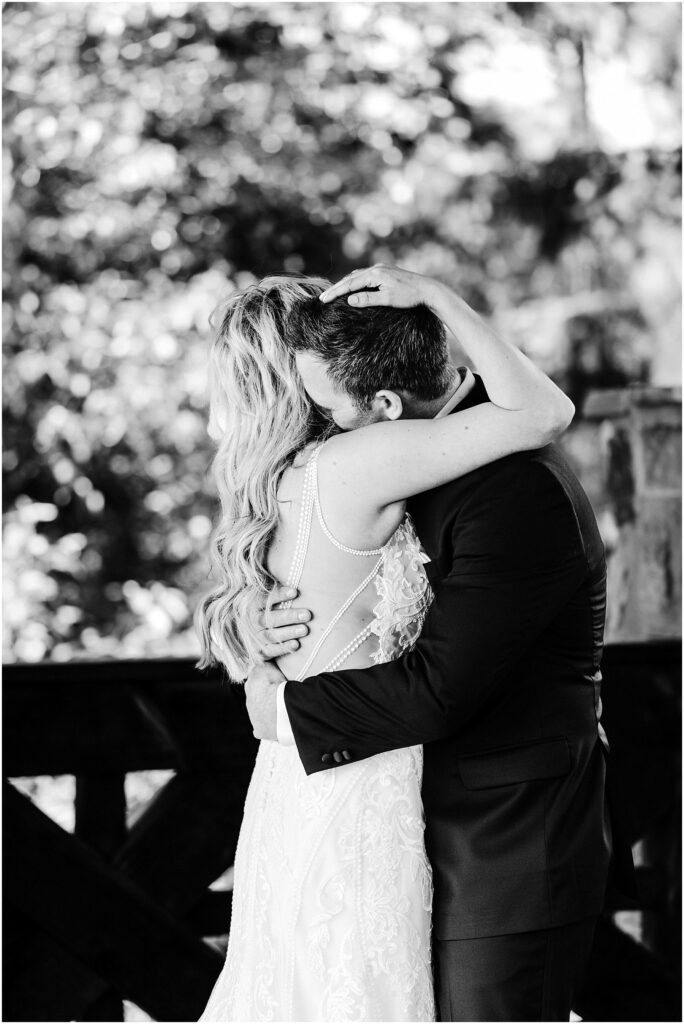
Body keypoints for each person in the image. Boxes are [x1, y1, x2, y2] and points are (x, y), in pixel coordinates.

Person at [246, 265, 633, 1022]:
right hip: (424, 833)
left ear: (386, 404)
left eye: (325, 408)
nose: (317, 427)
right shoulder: (428, 453)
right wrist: (268, 626)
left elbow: (438, 688)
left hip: (511, 849)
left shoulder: (516, 490)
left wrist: (284, 708)